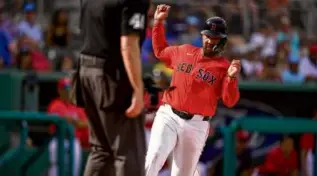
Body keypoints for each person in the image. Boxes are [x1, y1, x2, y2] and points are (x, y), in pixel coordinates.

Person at [145, 4, 241, 176]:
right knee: (154, 157)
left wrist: (232, 78)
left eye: (216, 38)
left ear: (222, 41)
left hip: (196, 124)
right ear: (202, 36)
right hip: (169, 115)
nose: (210, 40)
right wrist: (158, 22)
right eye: (208, 36)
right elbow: (160, 51)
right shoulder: (185, 51)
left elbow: (229, 100)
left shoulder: (224, 67)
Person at [72, 0, 150, 176]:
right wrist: (137, 89)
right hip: (111, 75)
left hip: (86, 70)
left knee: (101, 151)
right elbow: (128, 44)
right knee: (128, 151)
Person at [47, 77, 89, 176]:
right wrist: (76, 122)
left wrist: (74, 121)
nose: (68, 92)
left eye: (70, 89)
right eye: (65, 89)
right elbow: (64, 122)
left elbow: (86, 123)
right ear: (59, 90)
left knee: (74, 171)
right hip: (58, 140)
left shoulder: (77, 106)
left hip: (74, 141)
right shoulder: (55, 105)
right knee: (56, 171)